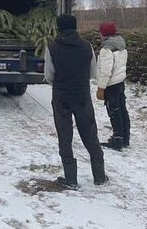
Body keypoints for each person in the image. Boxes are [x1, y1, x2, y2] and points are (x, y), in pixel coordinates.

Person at [44, 14, 108, 188]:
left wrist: (61, 83)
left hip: (61, 96)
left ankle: (71, 178)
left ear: (58, 27)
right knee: (89, 133)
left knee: (65, 135)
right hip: (82, 96)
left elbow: (49, 75)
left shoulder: (52, 47)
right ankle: (99, 175)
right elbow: (93, 73)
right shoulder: (87, 47)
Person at [95, 22, 129, 150]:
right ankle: (125, 138)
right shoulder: (121, 46)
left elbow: (105, 71)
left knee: (114, 111)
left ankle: (117, 139)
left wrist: (101, 88)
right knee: (122, 110)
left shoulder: (106, 49)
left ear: (103, 34)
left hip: (110, 85)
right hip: (120, 82)